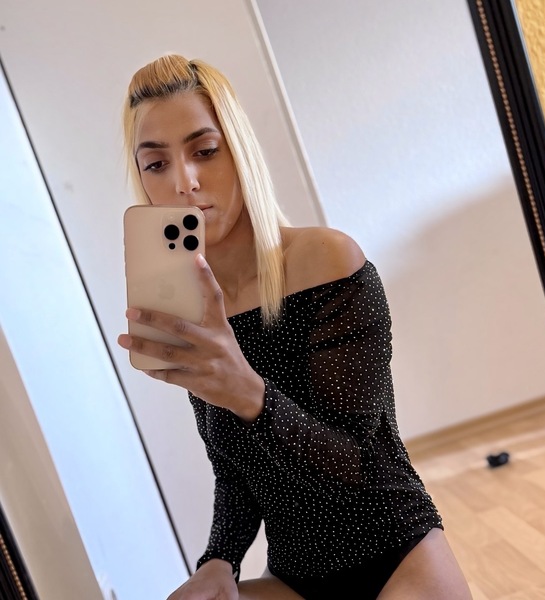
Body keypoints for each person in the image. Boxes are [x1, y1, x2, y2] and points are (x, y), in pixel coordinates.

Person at [117, 54, 472, 600]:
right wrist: (219, 560)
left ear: (240, 151)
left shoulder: (327, 260)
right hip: (294, 575)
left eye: (204, 151)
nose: (184, 182)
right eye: (156, 163)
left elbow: (359, 465)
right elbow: (237, 467)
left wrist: (248, 392)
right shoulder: (191, 307)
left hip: (394, 553)